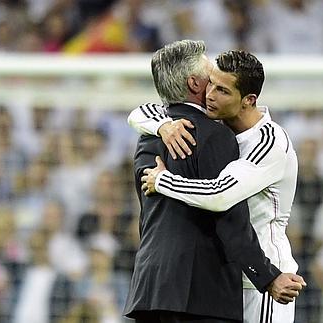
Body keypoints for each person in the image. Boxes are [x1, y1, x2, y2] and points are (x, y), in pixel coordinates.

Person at [123, 40, 304, 323]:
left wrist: (162, 181)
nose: (210, 94)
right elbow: (142, 111)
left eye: (221, 89)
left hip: (265, 282)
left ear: (248, 100)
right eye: (211, 84)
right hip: (222, 281)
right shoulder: (198, 131)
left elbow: (220, 196)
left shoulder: (268, 143)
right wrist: (162, 125)